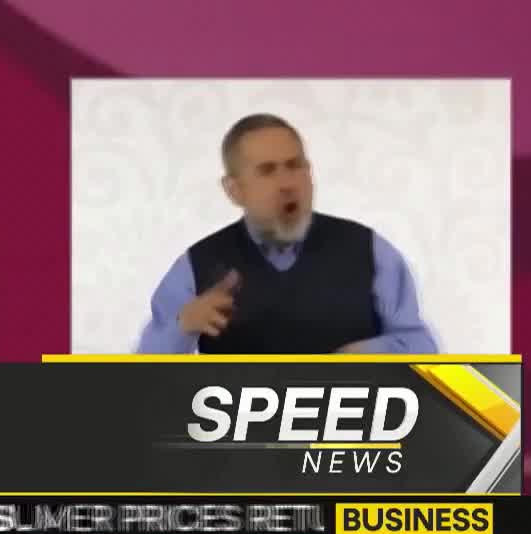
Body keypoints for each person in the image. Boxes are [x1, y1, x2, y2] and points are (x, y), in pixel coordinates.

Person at [137, 114, 438, 354]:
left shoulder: (370, 250)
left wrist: (368, 354)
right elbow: (141, 373)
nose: (287, 183)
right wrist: (184, 326)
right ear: (233, 190)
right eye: (267, 171)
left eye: (295, 166)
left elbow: (422, 347)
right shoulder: (197, 265)